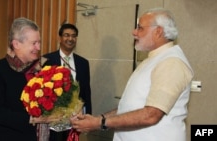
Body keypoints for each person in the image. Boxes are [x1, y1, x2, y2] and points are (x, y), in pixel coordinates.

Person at [70, 8, 194, 141]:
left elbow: (151, 115)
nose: (134, 32)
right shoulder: (153, 59)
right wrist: (99, 119)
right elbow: (130, 107)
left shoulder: (171, 63)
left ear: (158, 32)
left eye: (140, 28)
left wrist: (100, 123)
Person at [0, 17, 55, 141]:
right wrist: (31, 119)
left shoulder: (45, 68)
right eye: (34, 43)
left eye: (39, 42)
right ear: (16, 44)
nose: (38, 47)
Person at [43, 23, 92, 141]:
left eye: (74, 36)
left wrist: (87, 115)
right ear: (60, 38)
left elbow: (86, 91)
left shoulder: (83, 63)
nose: (70, 39)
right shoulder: (46, 60)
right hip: (53, 119)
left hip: (75, 118)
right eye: (66, 35)